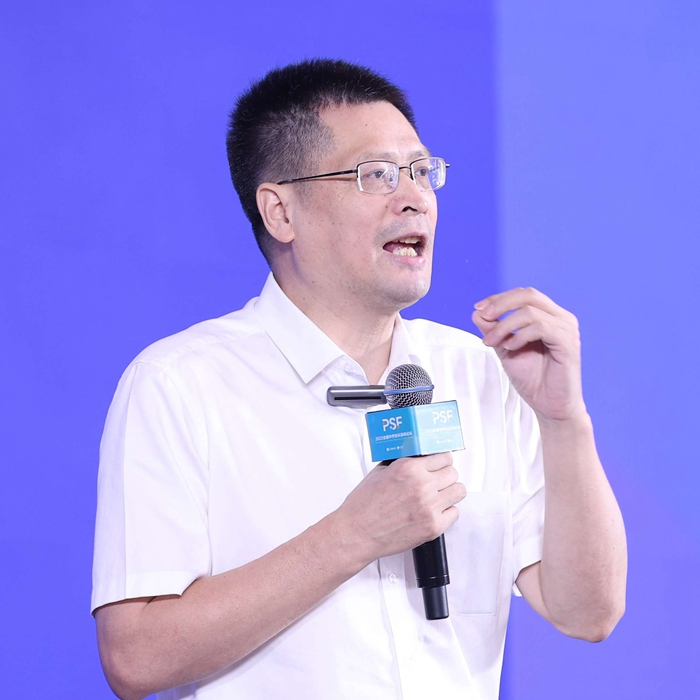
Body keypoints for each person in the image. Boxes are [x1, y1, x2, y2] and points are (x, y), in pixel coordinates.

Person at [92, 59, 627, 700]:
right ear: (280, 212)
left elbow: (588, 613)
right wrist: (353, 535)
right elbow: (136, 657)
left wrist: (565, 422)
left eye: (422, 172)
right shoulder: (180, 384)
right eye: (376, 175)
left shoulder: (482, 371)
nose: (414, 197)